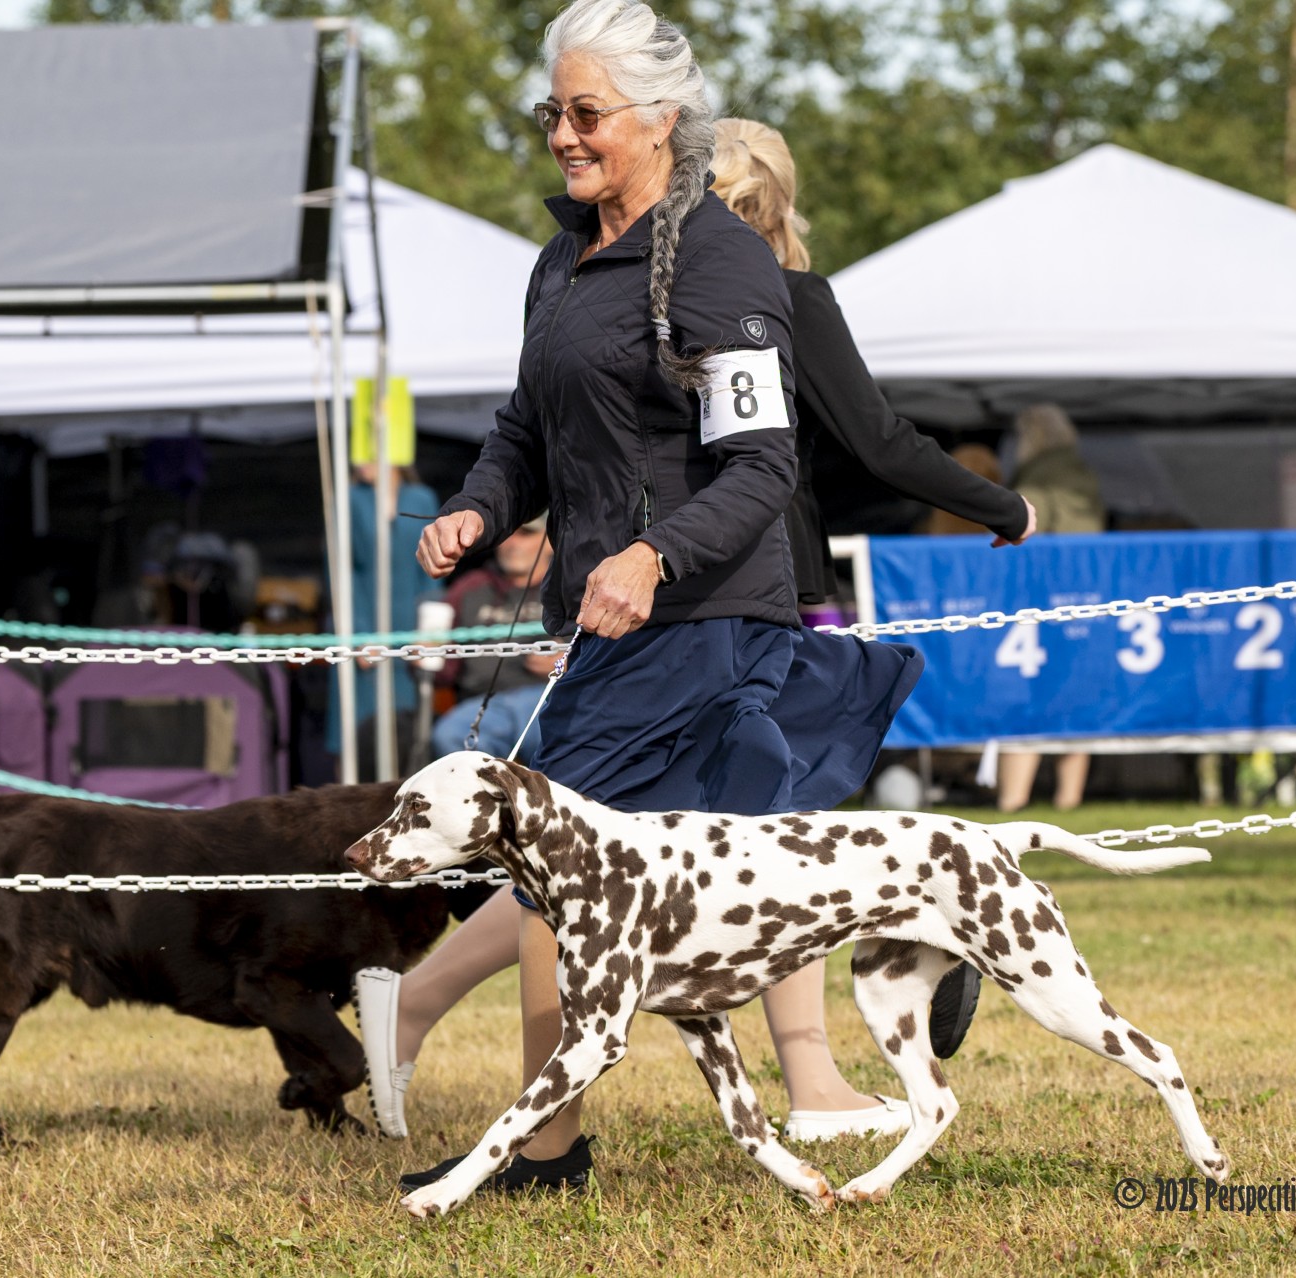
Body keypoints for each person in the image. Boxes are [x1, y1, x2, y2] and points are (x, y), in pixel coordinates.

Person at [366, 0, 926, 1195]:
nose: (563, 136)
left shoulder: (720, 258)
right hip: (609, 619)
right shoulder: (562, 257)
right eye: (550, 113)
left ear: (662, 119)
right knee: (676, 871)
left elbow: (766, 465)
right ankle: (559, 1138)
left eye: (586, 114)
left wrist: (654, 554)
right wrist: (479, 509)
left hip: (704, 615)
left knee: (567, 879)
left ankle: (544, 1156)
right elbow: (526, 425)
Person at [708, 117, 1038, 1060]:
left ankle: (418, 997)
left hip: (681, 590)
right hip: (778, 596)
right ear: (776, 202)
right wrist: (1002, 506)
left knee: (705, 828)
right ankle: (920, 945)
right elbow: (880, 440)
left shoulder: (655, 298)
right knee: (792, 828)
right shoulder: (788, 298)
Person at [995, 403, 1102, 813]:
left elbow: (1023, 534)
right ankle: (1068, 798)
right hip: (1084, 596)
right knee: (1074, 696)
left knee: (1027, 697)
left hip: (1042, 600)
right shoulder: (1083, 474)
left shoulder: (1038, 477)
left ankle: (1012, 799)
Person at [326, 463, 439, 778]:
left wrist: (431, 631)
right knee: (354, 733)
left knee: (407, 732)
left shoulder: (421, 498)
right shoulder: (347, 498)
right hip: (361, 630)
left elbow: (433, 570)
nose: (360, 461)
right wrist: (356, 633)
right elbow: (338, 571)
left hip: (410, 632)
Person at [429, 514, 554, 761]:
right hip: (482, 704)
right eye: (506, 535)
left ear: (550, 540)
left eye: (526, 533)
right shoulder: (470, 587)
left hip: (548, 700)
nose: (512, 543)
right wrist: (428, 655)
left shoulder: (568, 586)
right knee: (450, 735)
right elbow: (440, 670)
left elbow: (605, 656)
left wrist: (568, 664)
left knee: (552, 740)